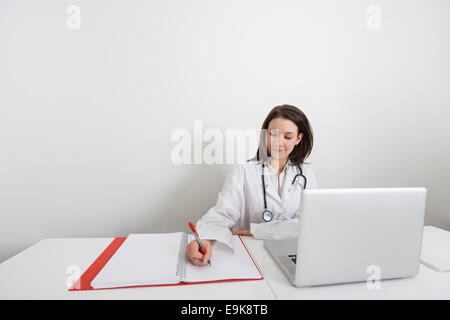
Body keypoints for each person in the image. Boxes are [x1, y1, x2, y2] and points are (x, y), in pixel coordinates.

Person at [186, 104, 318, 266]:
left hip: (291, 252)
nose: (278, 142)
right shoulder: (245, 172)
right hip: (250, 255)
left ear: (298, 139)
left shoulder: (306, 173)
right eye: (273, 134)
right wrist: (204, 240)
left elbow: (310, 222)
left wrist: (257, 231)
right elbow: (221, 214)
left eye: (288, 137)